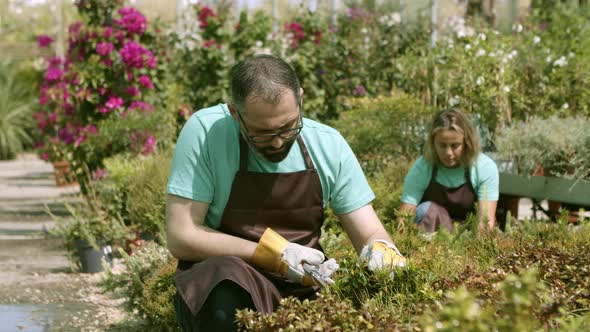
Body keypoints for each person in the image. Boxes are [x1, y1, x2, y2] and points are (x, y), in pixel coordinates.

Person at [165, 54, 406, 331]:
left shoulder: (329, 145)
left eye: (288, 126)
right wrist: (275, 254)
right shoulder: (206, 133)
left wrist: (382, 250)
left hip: (303, 284)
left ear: (300, 99)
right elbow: (182, 236)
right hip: (227, 283)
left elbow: (369, 232)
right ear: (235, 113)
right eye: (262, 133)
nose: (278, 141)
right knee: (224, 299)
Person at [398, 109, 499, 233]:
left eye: (455, 145)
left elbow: (486, 221)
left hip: (469, 237)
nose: (448, 153)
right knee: (426, 209)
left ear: (467, 143)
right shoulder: (423, 166)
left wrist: (474, 249)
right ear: (433, 143)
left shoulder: (484, 167)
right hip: (430, 238)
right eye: (442, 145)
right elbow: (405, 216)